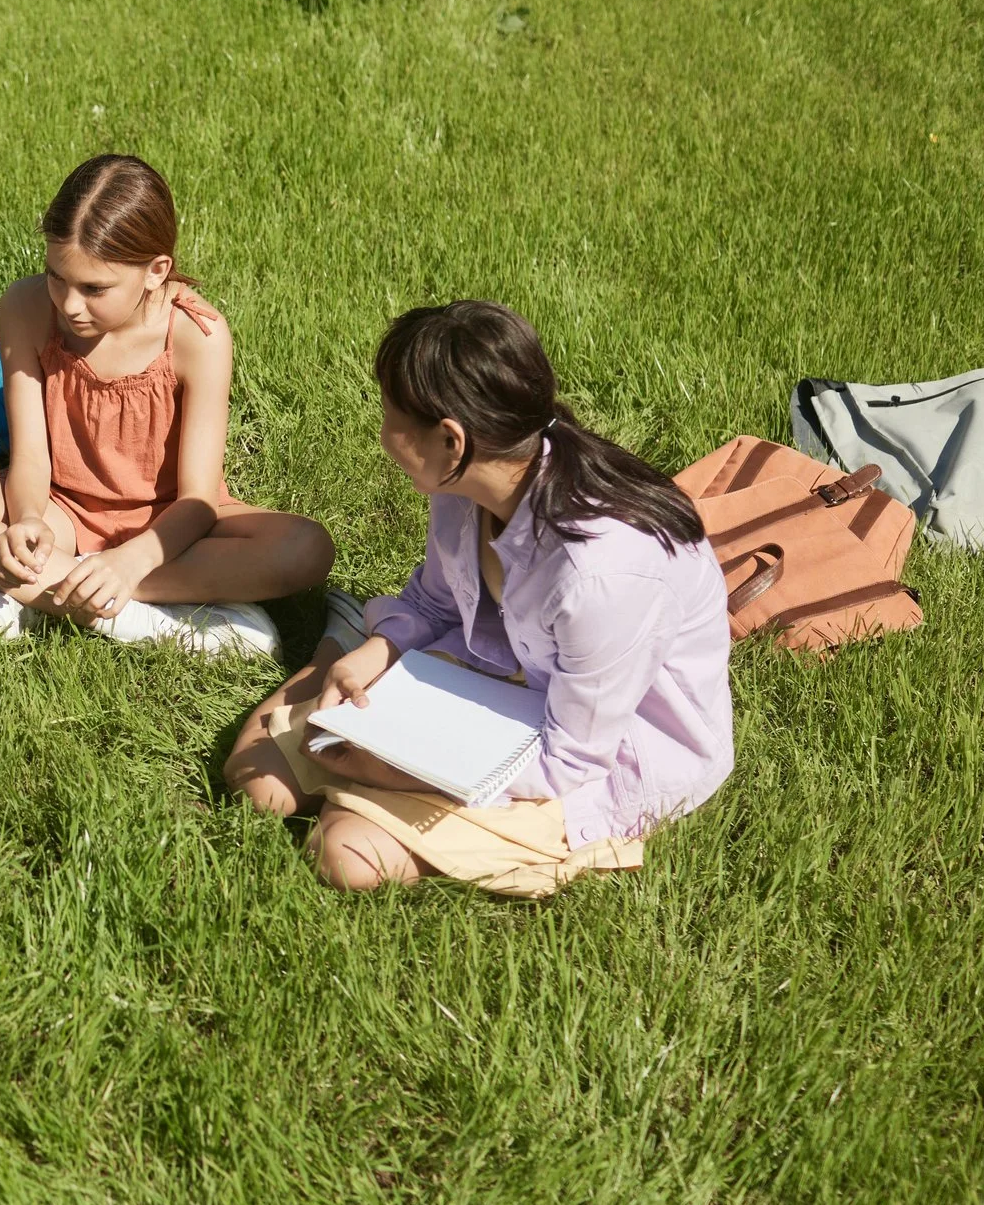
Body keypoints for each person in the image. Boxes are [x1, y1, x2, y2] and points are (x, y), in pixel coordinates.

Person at [224, 300, 733, 897]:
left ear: (450, 438)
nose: (382, 434)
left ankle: (370, 791)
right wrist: (375, 653)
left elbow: (570, 762)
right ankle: (336, 646)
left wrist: (388, 768)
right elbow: (436, 604)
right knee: (256, 788)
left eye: (390, 417)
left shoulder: (602, 575)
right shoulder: (464, 482)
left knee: (345, 855)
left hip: (591, 752)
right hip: (485, 679)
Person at [0, 154, 331, 657]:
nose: (69, 304)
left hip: (171, 527)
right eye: (57, 276)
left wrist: (130, 562)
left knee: (306, 548)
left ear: (155, 271)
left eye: (94, 288)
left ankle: (50, 589)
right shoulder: (25, 307)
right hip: (61, 509)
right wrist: (29, 518)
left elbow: (199, 500)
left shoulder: (198, 336)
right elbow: (31, 456)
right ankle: (153, 620)